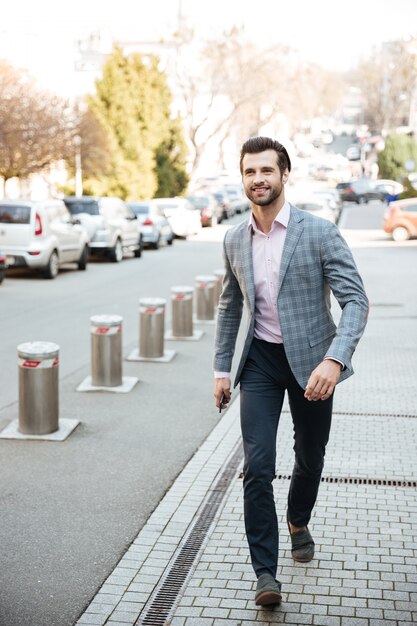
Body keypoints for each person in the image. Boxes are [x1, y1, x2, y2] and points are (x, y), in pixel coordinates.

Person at [213, 136, 368, 607]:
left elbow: (355, 301)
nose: (257, 179)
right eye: (249, 172)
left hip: (313, 363)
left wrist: (334, 358)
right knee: (257, 466)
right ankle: (266, 573)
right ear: (243, 179)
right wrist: (222, 368)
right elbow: (230, 304)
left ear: (284, 174)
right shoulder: (234, 238)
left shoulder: (318, 232)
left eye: (266, 170)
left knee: (311, 455)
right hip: (259, 362)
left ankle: (298, 519)